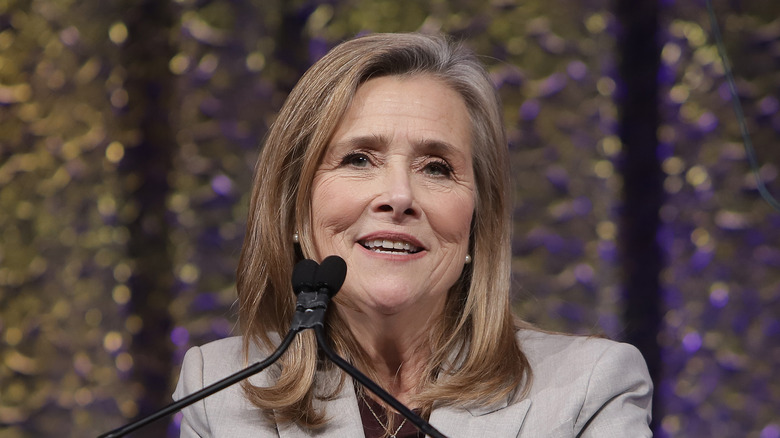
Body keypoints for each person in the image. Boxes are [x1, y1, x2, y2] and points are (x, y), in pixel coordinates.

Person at [173, 32, 653, 437]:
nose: (398, 196)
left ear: (475, 222)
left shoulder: (590, 388)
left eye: (437, 168)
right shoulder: (220, 391)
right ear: (297, 210)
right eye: (359, 159)